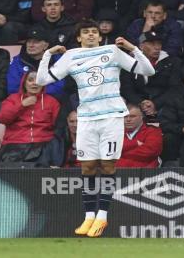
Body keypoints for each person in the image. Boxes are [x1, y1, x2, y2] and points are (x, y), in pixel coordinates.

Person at [36, 20, 155, 237]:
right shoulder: (71, 55)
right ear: (79, 37)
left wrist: (134, 49)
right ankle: (89, 216)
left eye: (94, 32)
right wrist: (48, 54)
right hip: (87, 119)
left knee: (108, 166)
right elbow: (43, 79)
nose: (91, 35)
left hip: (111, 117)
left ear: (100, 37)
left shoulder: (112, 51)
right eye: (86, 32)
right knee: (88, 167)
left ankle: (102, 217)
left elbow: (148, 70)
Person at [0, 71, 61, 167]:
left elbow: (57, 125)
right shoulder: (13, 99)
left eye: (38, 80)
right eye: (30, 80)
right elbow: (3, 118)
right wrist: (22, 105)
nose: (34, 83)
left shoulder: (51, 101)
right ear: (24, 83)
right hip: (15, 143)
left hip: (43, 143)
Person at [120, 30, 182, 121]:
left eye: (159, 44)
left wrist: (155, 104)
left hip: (164, 104)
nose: (157, 47)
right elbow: (126, 88)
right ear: (141, 46)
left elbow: (174, 88)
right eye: (152, 43)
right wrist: (140, 102)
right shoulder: (130, 62)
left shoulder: (172, 62)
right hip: (136, 103)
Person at [7, 28, 65, 96]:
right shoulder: (17, 61)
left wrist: (37, 95)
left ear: (46, 45)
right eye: (29, 41)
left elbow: (60, 87)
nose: (31, 45)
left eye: (36, 42)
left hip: (50, 101)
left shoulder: (57, 60)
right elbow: (12, 87)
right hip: (23, 101)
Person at [116, 103, 162, 168]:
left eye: (132, 116)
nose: (128, 119)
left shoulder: (153, 130)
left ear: (141, 117)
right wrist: (135, 143)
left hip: (146, 172)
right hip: (120, 172)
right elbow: (110, 151)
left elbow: (150, 152)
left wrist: (121, 154)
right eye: (125, 116)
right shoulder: (115, 132)